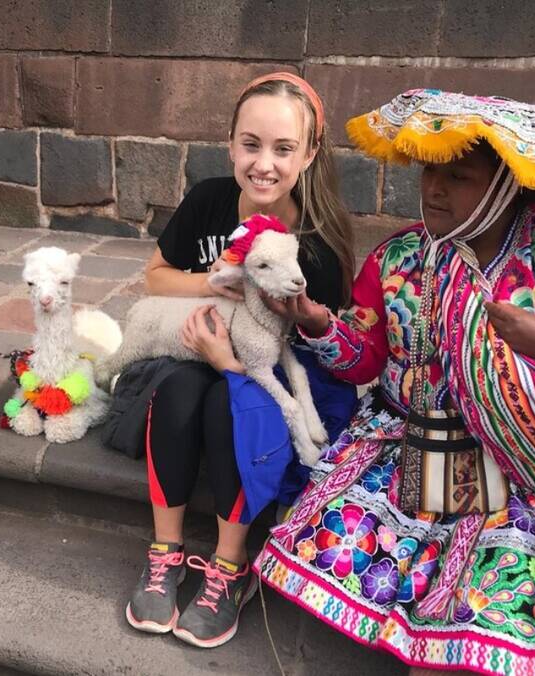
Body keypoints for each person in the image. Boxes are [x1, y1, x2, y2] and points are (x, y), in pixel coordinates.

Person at [255, 89, 535, 675]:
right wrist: (318, 324)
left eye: (457, 176)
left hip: (533, 459)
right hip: (411, 440)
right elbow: (365, 358)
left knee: (523, 585)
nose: (433, 189)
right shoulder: (399, 256)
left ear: (507, 183)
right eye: (430, 171)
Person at [124, 72, 358, 648]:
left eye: (283, 149)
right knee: (180, 389)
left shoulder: (318, 244)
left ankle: (230, 565)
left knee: (227, 404)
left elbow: (318, 350)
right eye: (251, 145)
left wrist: (232, 362)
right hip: (194, 348)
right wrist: (213, 283)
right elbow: (155, 276)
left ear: (309, 153)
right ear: (230, 143)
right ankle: (166, 552)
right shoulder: (208, 199)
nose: (264, 164)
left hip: (270, 369)